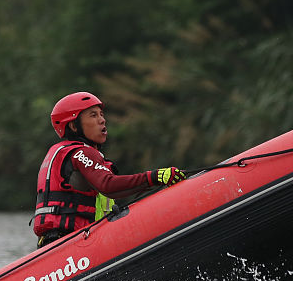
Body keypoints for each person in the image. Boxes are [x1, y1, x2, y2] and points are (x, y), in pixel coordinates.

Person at [33, 91, 185, 247]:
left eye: (101, 114)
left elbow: (116, 190)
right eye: (93, 115)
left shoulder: (61, 152)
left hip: (59, 242)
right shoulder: (80, 152)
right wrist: (155, 177)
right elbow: (108, 185)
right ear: (73, 126)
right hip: (71, 244)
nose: (102, 120)